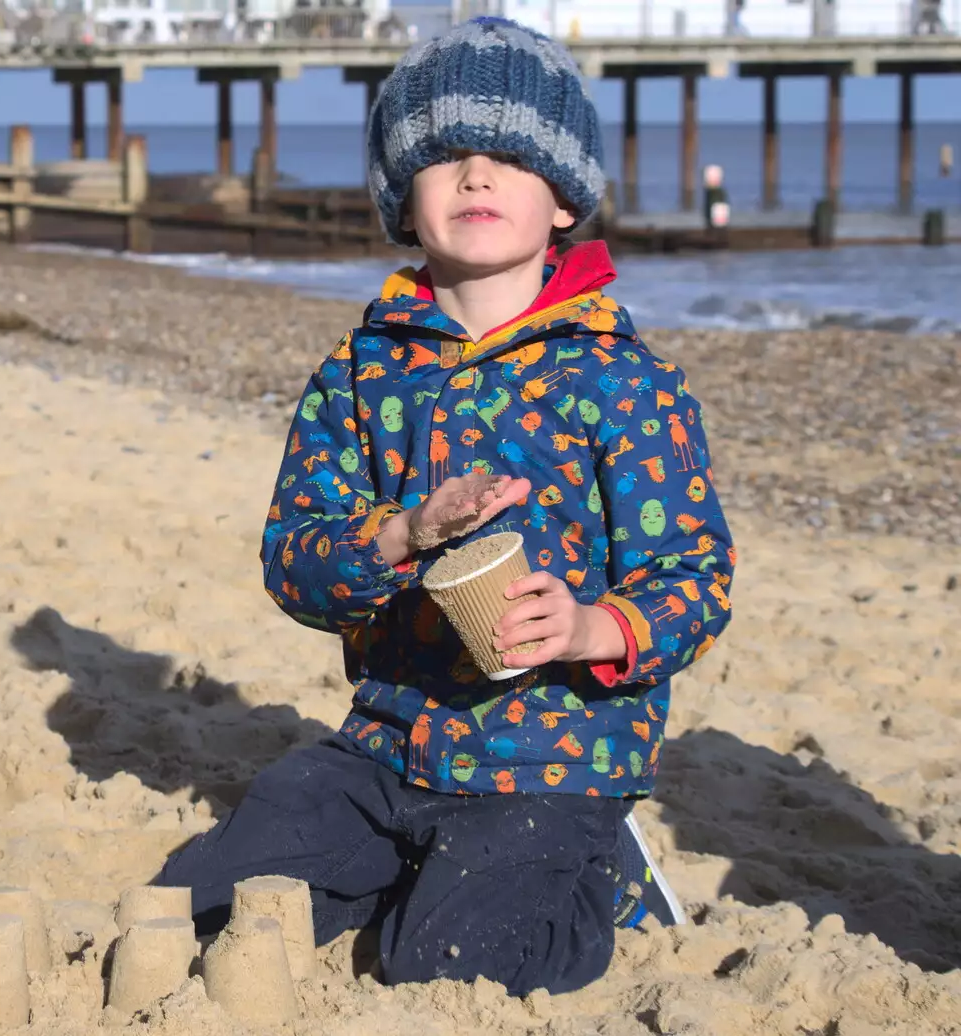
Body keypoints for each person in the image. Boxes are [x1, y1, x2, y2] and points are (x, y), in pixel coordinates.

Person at [157, 17, 737, 996]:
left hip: (552, 764)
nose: (476, 176)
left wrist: (591, 626)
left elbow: (697, 575)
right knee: (204, 899)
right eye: (446, 157)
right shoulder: (357, 371)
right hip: (384, 744)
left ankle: (602, 868)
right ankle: (407, 864)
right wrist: (400, 533)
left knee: (442, 962)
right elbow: (294, 564)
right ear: (402, 196)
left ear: (562, 200)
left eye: (509, 154)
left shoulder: (620, 380)